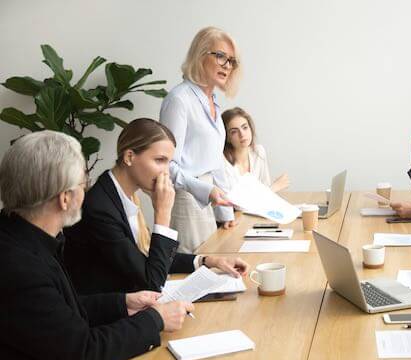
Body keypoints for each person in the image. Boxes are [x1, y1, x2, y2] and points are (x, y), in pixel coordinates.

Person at [0, 131, 193, 360]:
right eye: (83, 183)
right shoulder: (20, 264)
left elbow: (60, 313)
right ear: (65, 198)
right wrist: (156, 320)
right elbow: (82, 351)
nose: (87, 190)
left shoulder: (21, 235)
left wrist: (123, 304)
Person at [64, 118, 249, 295]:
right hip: (107, 317)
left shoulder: (126, 194)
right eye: (160, 160)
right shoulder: (100, 207)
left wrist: (207, 261)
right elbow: (152, 281)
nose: (166, 171)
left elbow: (148, 259)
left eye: (169, 162)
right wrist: (163, 214)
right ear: (129, 157)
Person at [160, 26, 242, 253]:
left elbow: (215, 162)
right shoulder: (179, 100)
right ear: (200, 55)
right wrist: (206, 191)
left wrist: (225, 213)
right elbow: (166, 164)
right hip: (186, 199)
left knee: (214, 266)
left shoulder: (212, 101)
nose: (227, 65)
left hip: (208, 199)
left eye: (231, 61)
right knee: (192, 271)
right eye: (221, 56)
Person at [221, 107, 290, 192]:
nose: (242, 134)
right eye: (234, 132)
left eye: (245, 127)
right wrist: (275, 187)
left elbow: (266, 191)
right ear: (227, 138)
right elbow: (236, 203)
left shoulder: (258, 151)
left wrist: (270, 190)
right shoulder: (223, 163)